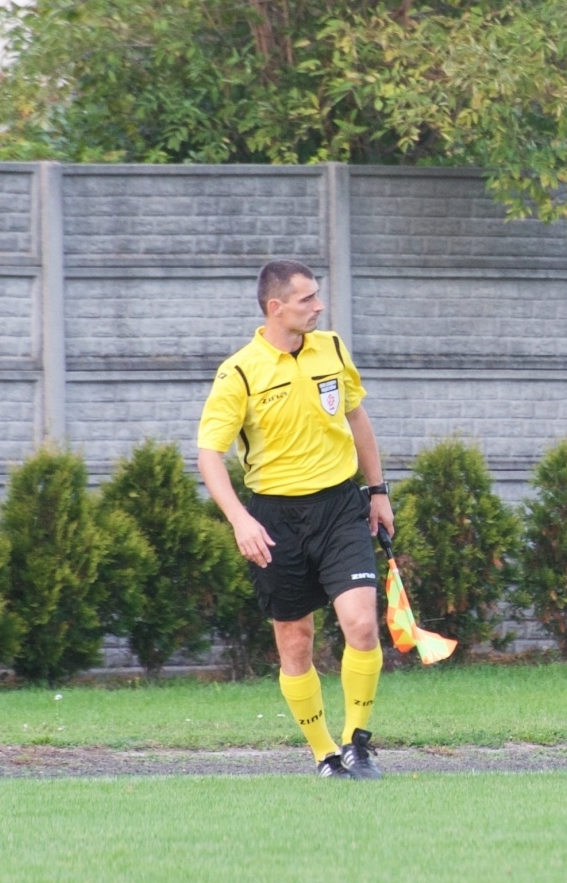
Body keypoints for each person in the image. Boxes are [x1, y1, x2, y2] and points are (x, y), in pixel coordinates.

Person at [196, 260, 391, 779]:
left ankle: (358, 743)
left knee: (361, 625)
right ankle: (324, 754)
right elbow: (209, 455)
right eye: (307, 299)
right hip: (275, 518)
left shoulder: (333, 349)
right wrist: (240, 520)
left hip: (340, 507)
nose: (319, 306)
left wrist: (377, 491)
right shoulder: (239, 372)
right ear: (275, 307)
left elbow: (356, 417)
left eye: (317, 296)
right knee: (296, 640)